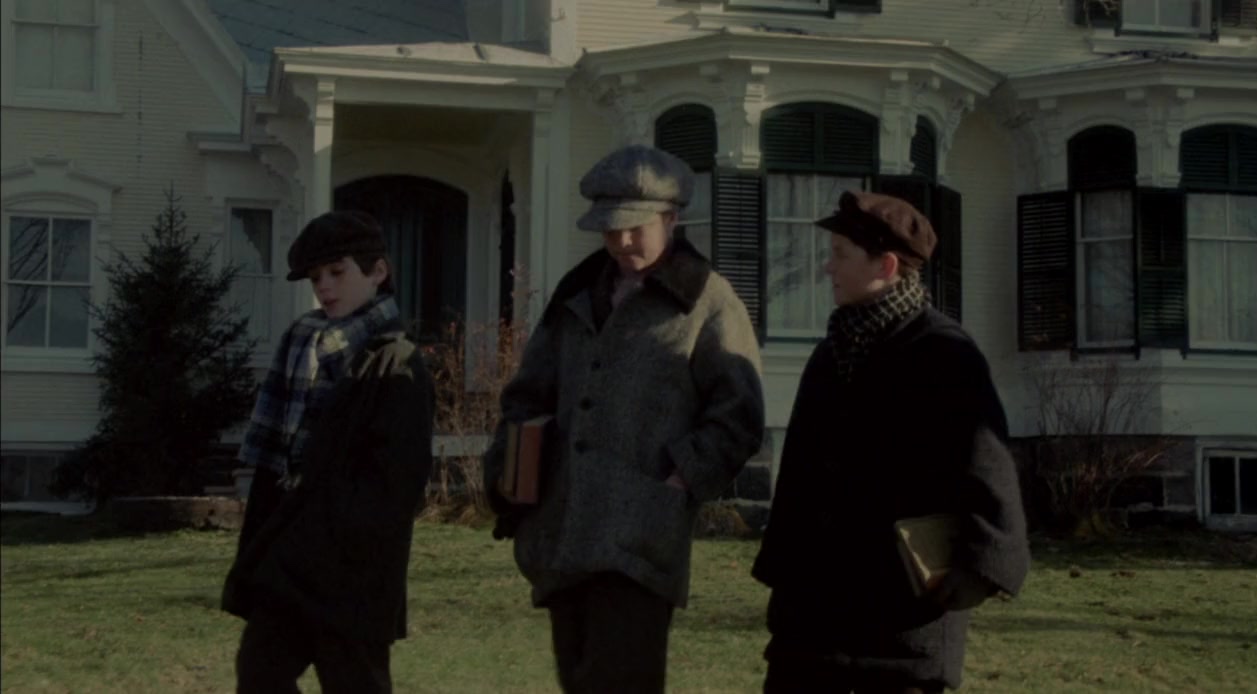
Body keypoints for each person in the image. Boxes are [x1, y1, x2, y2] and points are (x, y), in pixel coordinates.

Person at [483, 144, 766, 693]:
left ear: (671, 218)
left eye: (635, 228)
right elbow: (527, 395)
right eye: (610, 230)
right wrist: (512, 472)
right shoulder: (576, 292)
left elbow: (740, 415)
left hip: (641, 541)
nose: (622, 242)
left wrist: (679, 481)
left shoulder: (709, 301)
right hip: (564, 534)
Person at [751, 191, 1030, 694]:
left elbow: (988, 467)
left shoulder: (946, 354)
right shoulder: (829, 355)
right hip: (810, 627)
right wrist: (784, 571)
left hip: (901, 630)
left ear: (886, 265)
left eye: (840, 254)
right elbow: (798, 479)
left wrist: (980, 568)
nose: (827, 268)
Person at [221, 210, 435, 694]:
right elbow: (274, 463)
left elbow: (396, 484)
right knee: (259, 672)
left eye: (337, 272)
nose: (325, 287)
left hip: (351, 574)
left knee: (354, 682)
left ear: (377, 272)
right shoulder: (302, 343)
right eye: (317, 277)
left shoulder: (395, 361)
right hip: (287, 561)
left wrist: (339, 538)